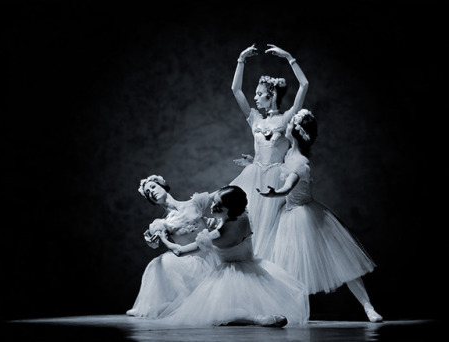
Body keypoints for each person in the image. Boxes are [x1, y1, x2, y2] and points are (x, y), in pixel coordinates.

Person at [258, 109, 383, 323]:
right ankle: (291, 312)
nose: (285, 126)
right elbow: (274, 164)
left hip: (305, 217)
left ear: (296, 133)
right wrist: (253, 161)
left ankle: (368, 307)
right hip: (287, 216)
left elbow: (288, 186)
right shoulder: (289, 154)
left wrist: (275, 192)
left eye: (289, 126)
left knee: (344, 263)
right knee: (287, 267)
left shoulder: (300, 162)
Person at [155, 185, 309, 327]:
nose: (213, 206)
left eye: (219, 206)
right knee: (250, 301)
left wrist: (162, 236)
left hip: (228, 274)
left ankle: (257, 319)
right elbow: (224, 221)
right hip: (253, 267)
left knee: (215, 312)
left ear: (230, 209)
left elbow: (179, 251)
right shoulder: (243, 216)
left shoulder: (217, 235)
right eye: (214, 202)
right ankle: (261, 316)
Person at [230, 43, 309, 260]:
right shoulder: (255, 118)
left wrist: (289, 57)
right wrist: (241, 59)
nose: (255, 97)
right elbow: (235, 90)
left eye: (259, 94)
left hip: (276, 179)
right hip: (254, 177)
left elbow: (304, 85)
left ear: (271, 94)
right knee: (250, 226)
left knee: (271, 234)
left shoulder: (286, 119)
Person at [126, 175, 219, 318]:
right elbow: (154, 242)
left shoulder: (195, 202)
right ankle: (183, 301)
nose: (152, 192)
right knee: (161, 261)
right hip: (190, 263)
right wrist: (151, 240)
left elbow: (223, 194)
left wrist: (252, 170)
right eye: (148, 193)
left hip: (212, 257)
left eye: (153, 187)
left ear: (162, 185)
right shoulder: (161, 223)